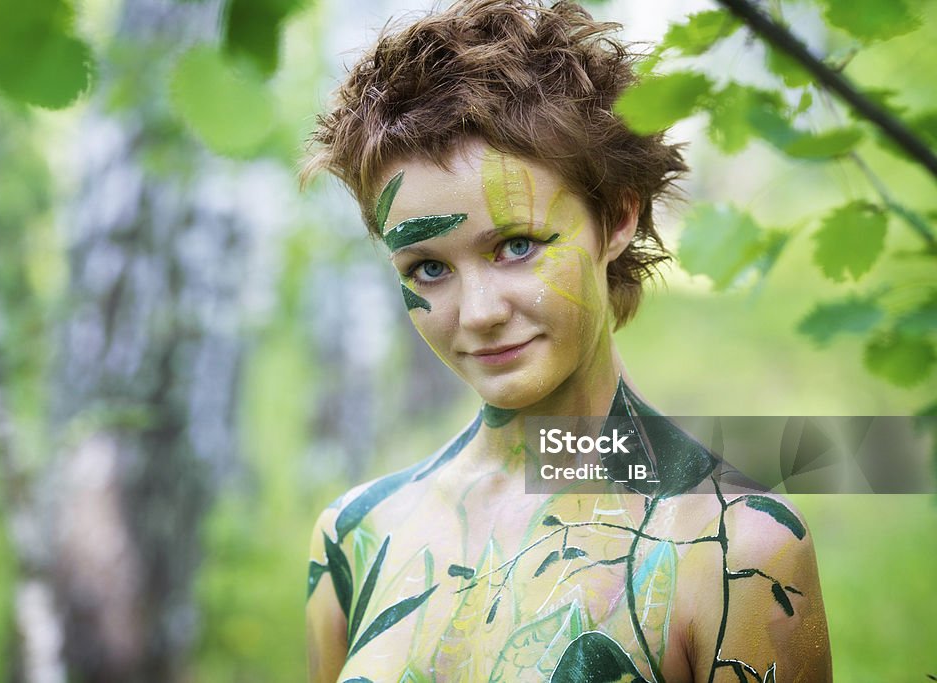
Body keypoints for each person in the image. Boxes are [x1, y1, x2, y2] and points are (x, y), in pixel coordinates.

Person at [301, 1, 832, 681]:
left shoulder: (738, 546)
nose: (478, 313)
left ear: (616, 216)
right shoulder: (354, 539)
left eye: (516, 245)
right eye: (428, 268)